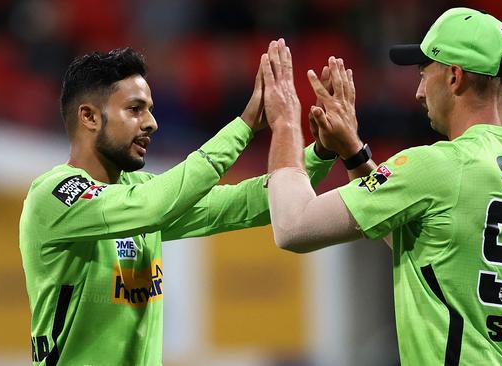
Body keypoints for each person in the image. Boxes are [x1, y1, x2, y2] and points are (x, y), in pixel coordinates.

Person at [19, 47, 347, 365]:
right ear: (89, 116)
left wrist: (321, 153)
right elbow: (155, 207)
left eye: (149, 109)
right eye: (135, 109)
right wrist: (244, 127)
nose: (151, 123)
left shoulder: (139, 191)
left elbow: (244, 204)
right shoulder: (56, 194)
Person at [263, 8, 502, 365]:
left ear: (454, 77)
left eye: (424, 72)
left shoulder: (439, 165)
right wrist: (355, 154)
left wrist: (284, 123)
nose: (418, 92)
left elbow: (293, 226)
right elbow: (425, 246)